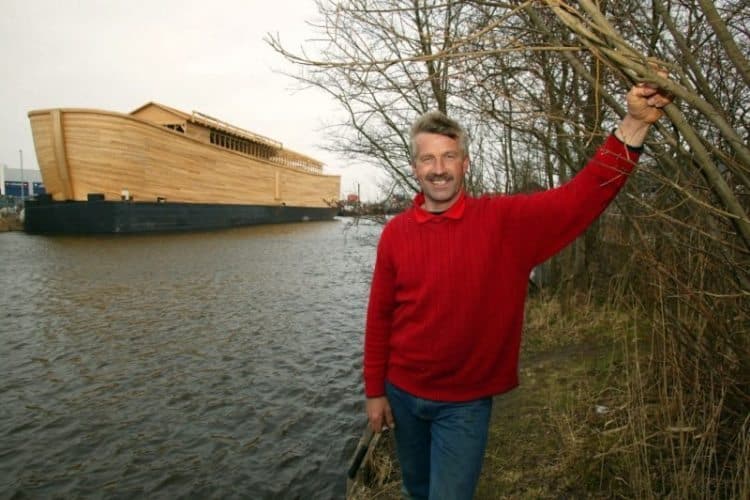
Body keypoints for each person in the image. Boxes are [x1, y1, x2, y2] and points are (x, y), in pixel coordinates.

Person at [362, 78, 674, 500]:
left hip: (464, 405)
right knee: (416, 491)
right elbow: (379, 317)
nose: (438, 169)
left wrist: (633, 126)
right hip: (402, 393)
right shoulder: (395, 233)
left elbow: (579, 198)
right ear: (415, 167)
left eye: (449, 156)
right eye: (428, 159)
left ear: (465, 163)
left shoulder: (504, 225)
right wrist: (375, 391)